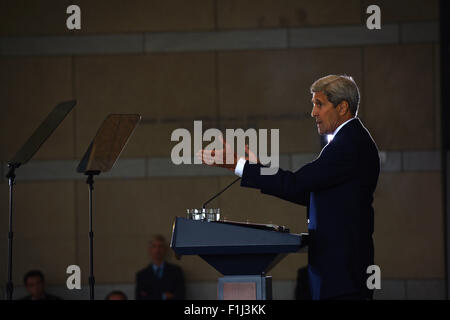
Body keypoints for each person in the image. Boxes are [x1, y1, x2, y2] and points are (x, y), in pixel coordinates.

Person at [197, 75, 380, 300]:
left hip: (343, 275)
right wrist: (256, 168)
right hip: (340, 273)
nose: (313, 113)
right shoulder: (349, 140)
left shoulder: (349, 144)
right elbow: (308, 191)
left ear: (342, 107)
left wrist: (238, 165)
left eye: (319, 104)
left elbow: (297, 184)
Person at [135, 234, 185, 300]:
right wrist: (164, 296)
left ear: (165, 249)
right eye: (154, 246)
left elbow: (180, 296)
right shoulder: (142, 275)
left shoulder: (176, 272)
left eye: (160, 246)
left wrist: (151, 295)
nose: (157, 250)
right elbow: (139, 297)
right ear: (150, 250)